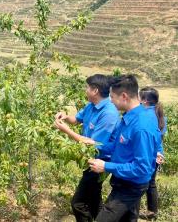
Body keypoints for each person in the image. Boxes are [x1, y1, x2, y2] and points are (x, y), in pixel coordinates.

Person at [87, 75, 161, 222]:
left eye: (112, 97)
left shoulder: (141, 126)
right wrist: (93, 145)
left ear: (124, 96)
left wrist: (106, 166)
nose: (110, 101)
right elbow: (115, 146)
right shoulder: (129, 117)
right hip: (124, 181)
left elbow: (142, 168)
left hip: (131, 186)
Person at [54, 74, 119, 222]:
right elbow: (77, 119)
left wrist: (66, 131)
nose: (85, 90)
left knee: (78, 203)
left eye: (87, 87)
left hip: (100, 163)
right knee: (94, 198)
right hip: (90, 159)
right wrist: (65, 117)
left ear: (95, 91)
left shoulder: (108, 113)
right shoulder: (92, 105)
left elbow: (93, 144)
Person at [138, 87, 166, 220]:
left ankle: (136, 210)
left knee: (140, 182)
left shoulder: (147, 116)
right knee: (151, 183)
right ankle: (152, 212)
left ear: (144, 101)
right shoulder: (160, 115)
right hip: (157, 153)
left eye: (139, 97)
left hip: (151, 153)